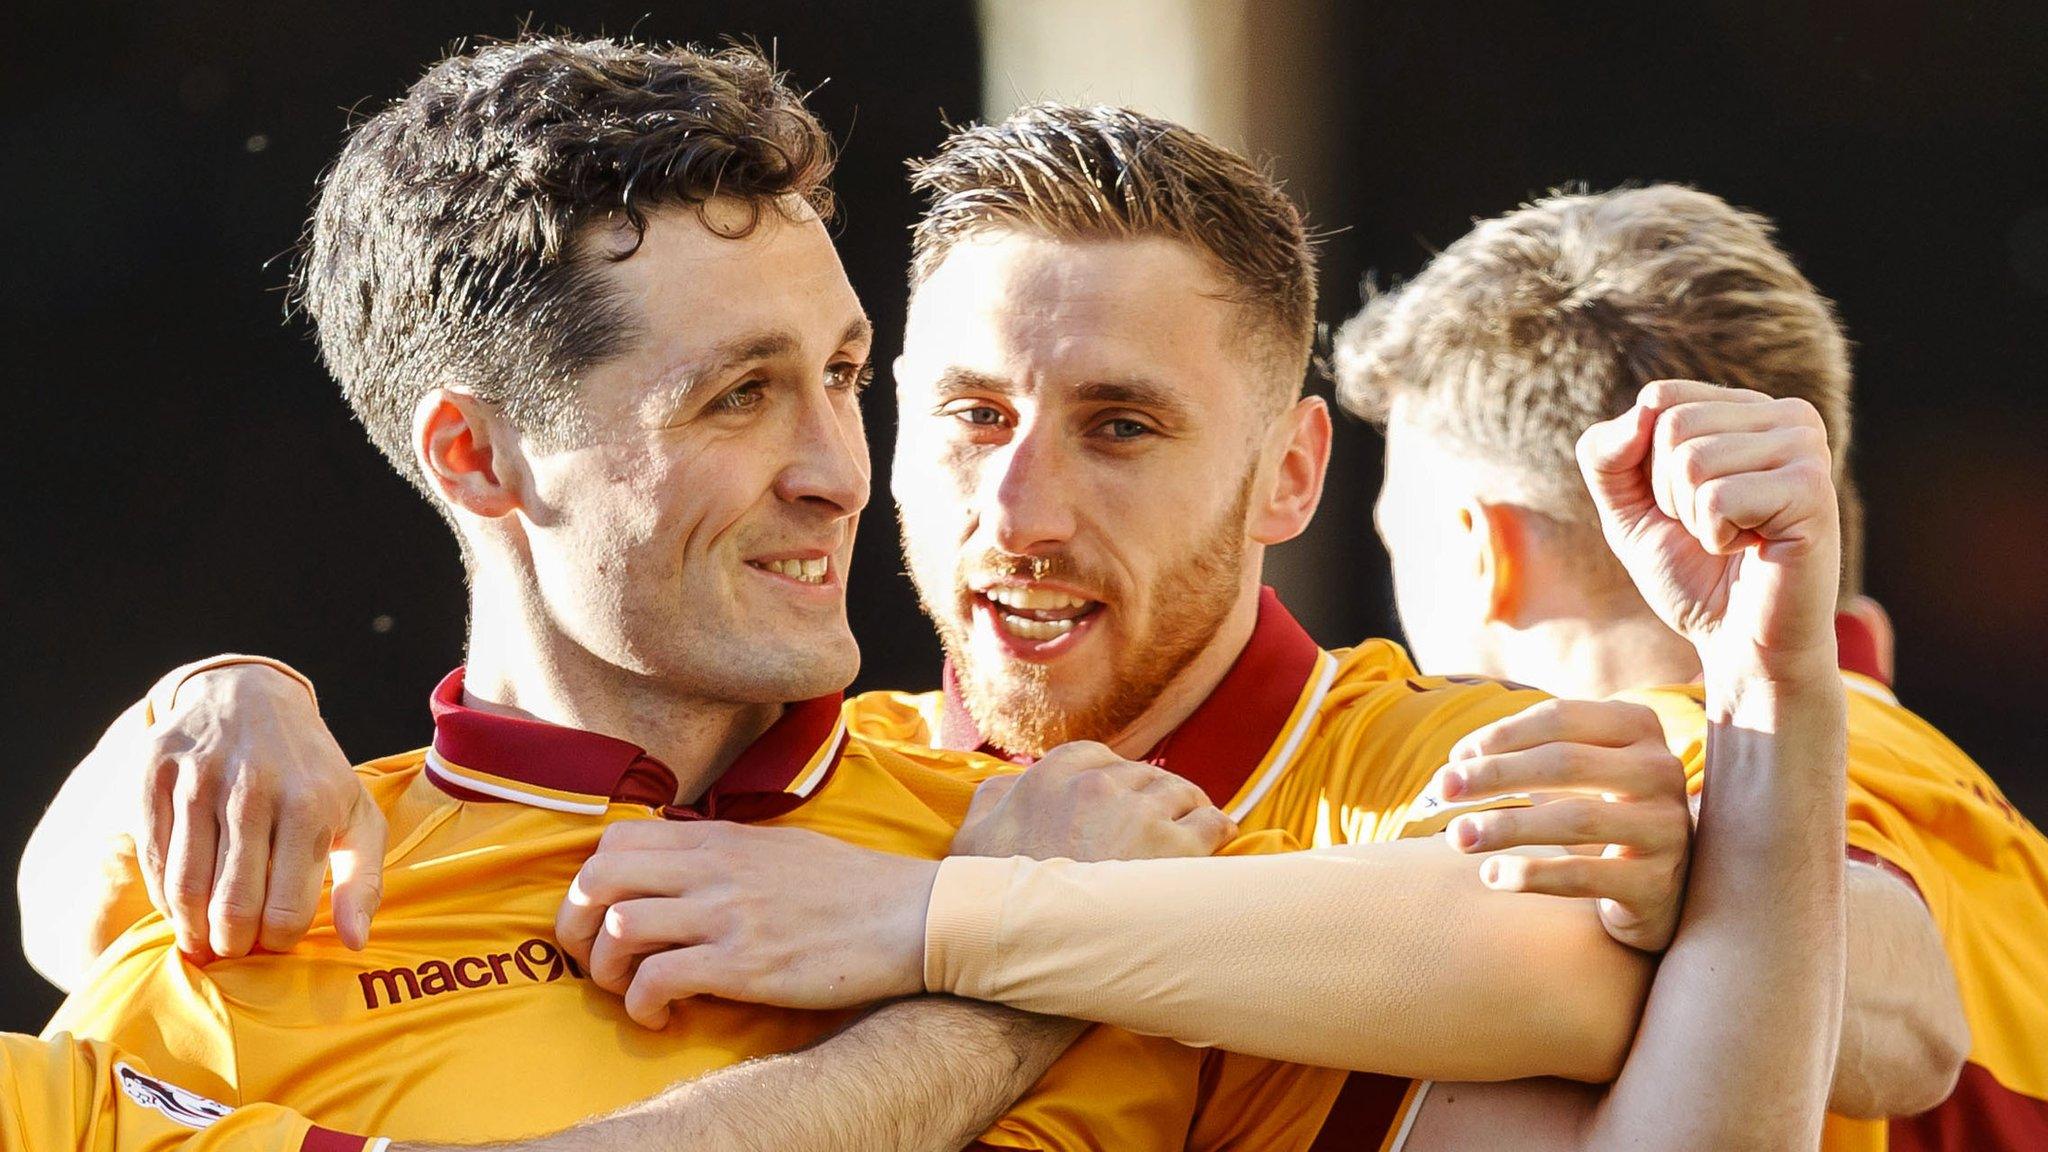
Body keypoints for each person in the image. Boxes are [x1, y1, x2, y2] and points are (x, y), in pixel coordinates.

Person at [18, 38, 1682, 1152]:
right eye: (738, 396)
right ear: (478, 459)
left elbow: (1623, 1001)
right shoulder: (240, 948)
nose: (837, 469)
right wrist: (987, 1009)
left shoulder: (1093, 845)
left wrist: (979, 922)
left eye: (843, 376)